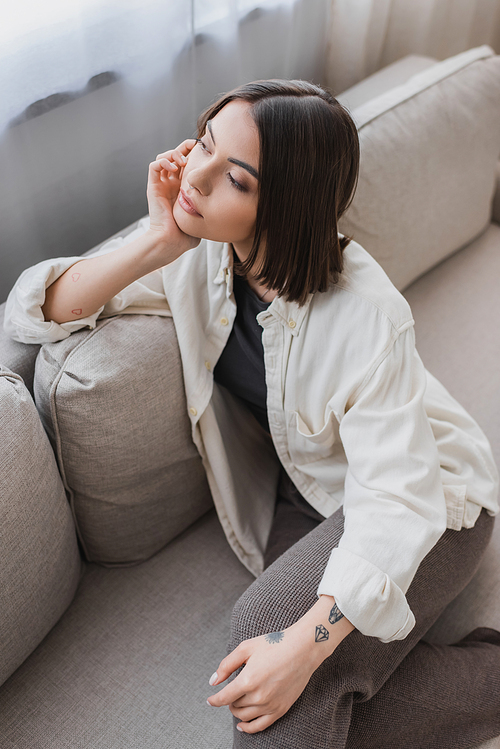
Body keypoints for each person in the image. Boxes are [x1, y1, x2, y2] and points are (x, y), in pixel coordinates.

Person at [4, 79, 500, 748]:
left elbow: (396, 500)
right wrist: (159, 239)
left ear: (284, 206)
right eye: (203, 142)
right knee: (296, 697)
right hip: (311, 494)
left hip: (433, 500)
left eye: (234, 178)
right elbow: (39, 311)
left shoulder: (365, 315)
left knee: (270, 636)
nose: (198, 178)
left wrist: (306, 643)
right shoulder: (205, 257)